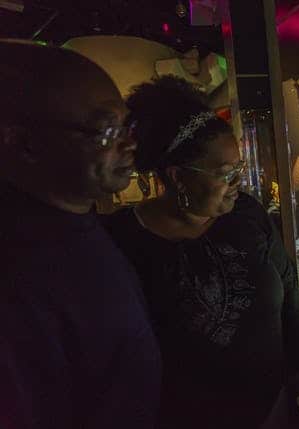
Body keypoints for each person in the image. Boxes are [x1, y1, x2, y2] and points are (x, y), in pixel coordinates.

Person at [105, 76, 299, 428]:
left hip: (275, 410)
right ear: (178, 176)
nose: (237, 181)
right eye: (226, 173)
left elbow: (288, 285)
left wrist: (296, 373)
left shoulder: (246, 213)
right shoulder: (123, 242)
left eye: (240, 168)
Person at [0, 41, 161, 428]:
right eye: (108, 130)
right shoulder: (17, 268)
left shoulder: (76, 222)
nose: (130, 143)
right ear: (26, 142)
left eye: (127, 126)